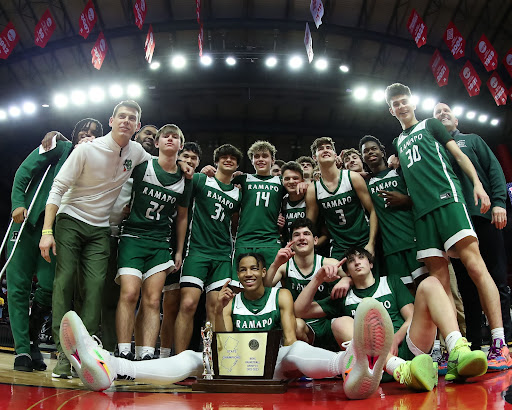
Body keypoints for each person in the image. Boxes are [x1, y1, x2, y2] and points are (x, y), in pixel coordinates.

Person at [59, 253, 395, 401]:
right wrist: (218, 312)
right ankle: (111, 366)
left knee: (295, 350)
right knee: (193, 358)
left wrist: (282, 363)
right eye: (243, 270)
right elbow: (222, 349)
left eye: (254, 269)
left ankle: (351, 367)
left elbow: (290, 339)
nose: (248, 274)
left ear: (263, 272)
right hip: (239, 364)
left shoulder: (281, 295)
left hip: (274, 364)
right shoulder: (229, 299)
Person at [39, 100, 192, 378]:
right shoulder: (86, 149)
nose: (126, 121)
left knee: (96, 290)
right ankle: (64, 355)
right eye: (121, 116)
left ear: (136, 126)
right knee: (63, 284)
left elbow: (163, 164)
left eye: (132, 118)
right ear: (111, 120)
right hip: (70, 218)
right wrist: (47, 230)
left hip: (100, 229)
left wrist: (184, 164)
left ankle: (84, 355)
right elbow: (58, 187)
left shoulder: (136, 153)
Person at [385, 83, 509, 369]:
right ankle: (452, 349)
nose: (401, 107)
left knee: (476, 267)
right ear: (390, 110)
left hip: (448, 201)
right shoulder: (397, 143)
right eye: (396, 104)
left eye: (405, 101)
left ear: (413, 102)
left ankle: (499, 342)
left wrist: (479, 186)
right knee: (440, 285)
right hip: (422, 213)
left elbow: (459, 156)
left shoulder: (431, 124)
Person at [295, 247, 488, 388]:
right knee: (339, 322)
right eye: (351, 261)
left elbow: (411, 317)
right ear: (347, 272)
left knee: (430, 283)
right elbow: (300, 311)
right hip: (376, 364)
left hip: (410, 347)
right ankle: (401, 369)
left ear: (370, 263)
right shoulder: (343, 296)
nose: (357, 262)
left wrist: (395, 338)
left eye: (361, 258)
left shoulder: (391, 282)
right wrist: (318, 278)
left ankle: (457, 350)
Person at [6, 119, 102, 372]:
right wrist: (17, 202)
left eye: (94, 133)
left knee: (50, 288)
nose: (87, 134)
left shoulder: (97, 162)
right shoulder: (59, 146)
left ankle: (32, 337)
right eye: (84, 129)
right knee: (18, 287)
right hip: (27, 223)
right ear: (74, 133)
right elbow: (23, 172)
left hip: (59, 231)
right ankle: (23, 350)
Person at [434, 102, 511, 358]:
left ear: (456, 121)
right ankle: (475, 344)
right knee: (466, 286)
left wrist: (499, 202)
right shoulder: (435, 151)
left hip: (483, 216)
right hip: (455, 223)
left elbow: (494, 170)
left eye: (447, 111)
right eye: (437, 114)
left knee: (496, 278)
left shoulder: (472, 140)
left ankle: (505, 341)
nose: (443, 114)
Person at [115, 124, 192, 361]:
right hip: (132, 237)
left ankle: (146, 353)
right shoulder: (142, 166)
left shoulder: (185, 178)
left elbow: (182, 217)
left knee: (153, 299)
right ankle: (123, 350)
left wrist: (179, 250)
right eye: (165, 136)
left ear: (180, 145)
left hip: (160, 242)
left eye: (176, 136)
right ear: (156, 143)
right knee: (129, 293)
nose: (170, 139)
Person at [173, 144, 243, 354]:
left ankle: (213, 363)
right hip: (196, 251)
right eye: (223, 157)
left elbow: (236, 224)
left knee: (216, 309)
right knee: (187, 304)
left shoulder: (239, 195)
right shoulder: (202, 180)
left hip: (222, 255)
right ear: (216, 161)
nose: (228, 160)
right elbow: (181, 172)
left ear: (237, 165)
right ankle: (179, 360)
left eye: (232, 158)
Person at [265, 218, 341, 351]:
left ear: (315, 240)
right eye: (296, 235)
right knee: (296, 325)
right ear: (291, 243)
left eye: (306, 234)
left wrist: (347, 280)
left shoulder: (329, 263)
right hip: (300, 323)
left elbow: (356, 281)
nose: (301, 238)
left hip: (325, 322)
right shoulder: (284, 267)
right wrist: (275, 263)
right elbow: (264, 289)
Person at [359, 135, 426, 285]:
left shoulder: (400, 172)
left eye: (374, 149)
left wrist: (406, 200)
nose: (370, 152)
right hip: (390, 247)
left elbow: (423, 197)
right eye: (366, 151)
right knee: (406, 293)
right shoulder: (365, 183)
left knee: (427, 286)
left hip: (414, 240)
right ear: (363, 158)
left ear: (382, 152)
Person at [160, 141, 203, 357]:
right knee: (170, 306)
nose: (189, 161)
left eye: (194, 158)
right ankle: (165, 355)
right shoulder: (171, 176)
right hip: (171, 245)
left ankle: (184, 356)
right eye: (185, 156)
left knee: (189, 308)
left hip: (196, 252)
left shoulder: (202, 181)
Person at [305, 137, 378, 259]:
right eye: (320, 149)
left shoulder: (352, 178)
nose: (325, 150)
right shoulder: (313, 189)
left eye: (328, 148)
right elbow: (309, 225)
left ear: (335, 154)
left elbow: (373, 210)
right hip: (339, 246)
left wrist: (371, 243)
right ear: (314, 157)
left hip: (363, 240)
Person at [229, 141, 288, 287]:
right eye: (256, 156)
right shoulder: (242, 179)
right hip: (245, 240)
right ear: (252, 160)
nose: (260, 159)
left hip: (270, 241)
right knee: (239, 288)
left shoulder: (281, 182)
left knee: (272, 288)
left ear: (272, 160)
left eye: (265, 156)